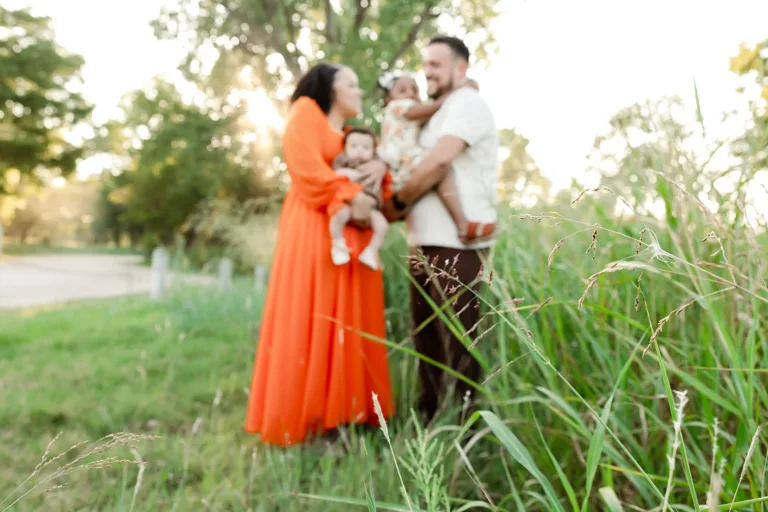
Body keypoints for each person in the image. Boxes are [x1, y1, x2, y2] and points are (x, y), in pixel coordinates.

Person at [245, 63, 395, 446]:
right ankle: (312, 418)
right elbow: (306, 169)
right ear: (330, 89)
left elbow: (377, 174)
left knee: (351, 317)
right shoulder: (306, 112)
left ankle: (349, 414)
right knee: (317, 312)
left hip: (355, 231)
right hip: (315, 224)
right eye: (353, 84)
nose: (360, 92)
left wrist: (378, 166)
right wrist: (353, 196)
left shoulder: (349, 136)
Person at [383, 35, 500, 422]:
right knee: (428, 341)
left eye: (436, 64)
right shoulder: (438, 110)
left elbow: (436, 165)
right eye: (425, 64)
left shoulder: (466, 103)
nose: (427, 71)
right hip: (424, 242)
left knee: (463, 341)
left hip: (458, 245)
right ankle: (430, 422)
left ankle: (470, 431)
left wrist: (397, 203)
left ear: (460, 68)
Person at [377, 73, 495, 243]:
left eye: (415, 90)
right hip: (405, 162)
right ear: (388, 99)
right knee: (440, 168)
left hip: (398, 168)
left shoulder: (405, 115)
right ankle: (463, 224)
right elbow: (433, 108)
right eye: (403, 90)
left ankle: (421, 239)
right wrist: (457, 91)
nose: (410, 93)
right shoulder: (397, 107)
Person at [329, 127, 389, 271]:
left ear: (374, 151)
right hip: (348, 203)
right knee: (339, 215)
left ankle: (371, 251)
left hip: (371, 207)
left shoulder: (377, 163)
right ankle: (338, 244)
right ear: (345, 147)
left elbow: (387, 164)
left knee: (382, 226)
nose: (360, 150)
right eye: (354, 146)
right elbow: (333, 173)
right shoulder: (343, 160)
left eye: (366, 147)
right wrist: (345, 173)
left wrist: (381, 166)